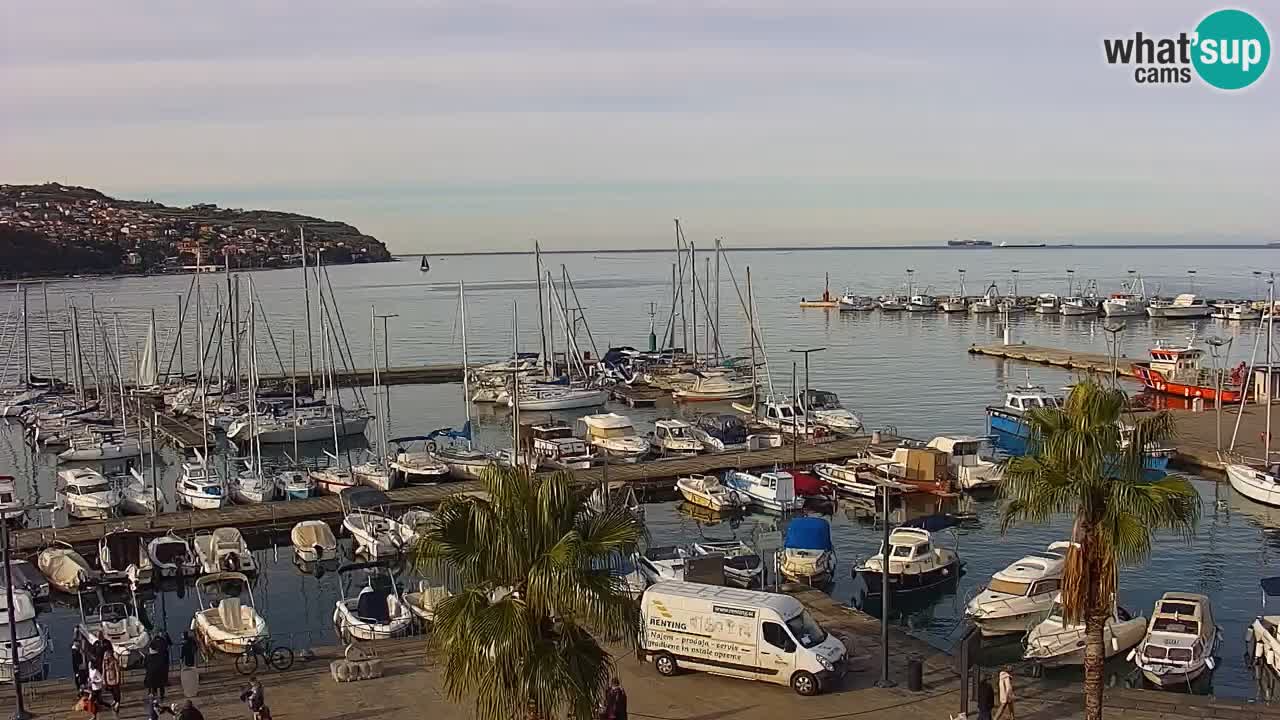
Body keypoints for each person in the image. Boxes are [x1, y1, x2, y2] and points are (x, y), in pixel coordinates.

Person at [101, 646, 123, 714]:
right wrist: (103, 679)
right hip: (108, 679)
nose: (106, 657)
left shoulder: (114, 661)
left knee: (117, 692)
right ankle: (115, 700)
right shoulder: (105, 662)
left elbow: (117, 671)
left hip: (114, 679)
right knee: (111, 691)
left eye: (107, 655)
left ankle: (117, 703)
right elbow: (104, 670)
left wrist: (118, 679)